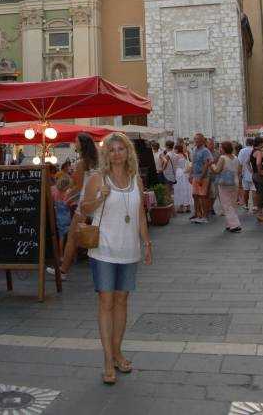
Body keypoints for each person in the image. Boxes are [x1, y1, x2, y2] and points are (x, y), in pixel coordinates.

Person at [81, 132, 152, 385]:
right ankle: (107, 360)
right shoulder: (97, 178)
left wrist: (147, 243)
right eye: (112, 150)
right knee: (106, 301)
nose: (117, 154)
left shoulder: (136, 179)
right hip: (103, 250)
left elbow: (140, 214)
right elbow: (84, 209)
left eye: (121, 149)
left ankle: (118, 351)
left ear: (128, 152)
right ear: (106, 154)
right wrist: (100, 197)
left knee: (122, 300)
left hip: (129, 249)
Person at [55, 134, 98, 278]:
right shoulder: (96, 161)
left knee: (72, 237)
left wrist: (67, 197)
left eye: (76, 141)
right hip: (95, 201)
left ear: (82, 145)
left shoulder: (82, 163)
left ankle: (63, 270)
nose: (74, 143)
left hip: (84, 204)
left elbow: (78, 187)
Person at [211, 141, 241, 232]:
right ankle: (229, 224)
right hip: (235, 182)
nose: (220, 149)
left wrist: (212, 165)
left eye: (221, 147)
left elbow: (217, 170)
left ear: (224, 149)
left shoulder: (222, 158)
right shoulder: (236, 158)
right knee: (232, 203)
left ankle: (235, 225)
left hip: (225, 183)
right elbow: (239, 170)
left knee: (226, 204)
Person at [189, 133, 213, 223]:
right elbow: (193, 163)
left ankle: (204, 216)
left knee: (203, 196)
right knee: (195, 195)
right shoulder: (194, 149)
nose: (196, 141)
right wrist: (190, 174)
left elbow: (207, 164)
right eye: (195, 139)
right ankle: (197, 213)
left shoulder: (205, 151)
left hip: (203, 177)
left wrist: (201, 177)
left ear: (202, 140)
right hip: (195, 176)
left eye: (198, 139)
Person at [51, 175, 72, 258]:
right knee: (70, 237)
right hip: (67, 217)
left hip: (58, 217)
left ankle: (61, 255)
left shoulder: (54, 191)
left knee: (61, 237)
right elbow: (69, 205)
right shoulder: (67, 194)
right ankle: (71, 256)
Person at [249, 137, 263, 223]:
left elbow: (247, 162)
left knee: (258, 192)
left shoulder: (253, 151)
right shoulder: (259, 152)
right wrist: (260, 171)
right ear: (260, 143)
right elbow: (258, 163)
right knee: (261, 194)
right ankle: (260, 213)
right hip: (259, 175)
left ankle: (259, 212)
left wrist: (252, 170)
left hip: (254, 175)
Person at [172, 143, 192, 213]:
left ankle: (181, 207)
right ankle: (188, 206)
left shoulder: (176, 156)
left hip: (179, 173)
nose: (174, 150)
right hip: (185, 173)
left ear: (177, 149)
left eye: (175, 149)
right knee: (186, 189)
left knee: (179, 189)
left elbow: (174, 165)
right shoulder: (185, 155)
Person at [237, 138, 254, 208]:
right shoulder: (254, 150)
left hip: (245, 173)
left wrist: (239, 173)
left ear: (246, 143)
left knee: (246, 190)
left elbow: (239, 163)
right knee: (254, 190)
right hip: (254, 173)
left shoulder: (242, 151)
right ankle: (255, 205)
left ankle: (246, 205)